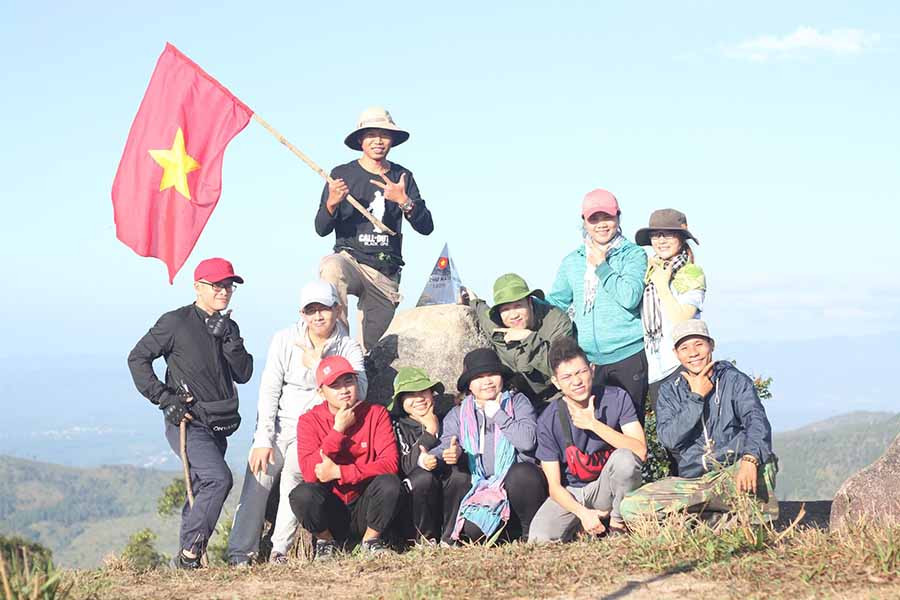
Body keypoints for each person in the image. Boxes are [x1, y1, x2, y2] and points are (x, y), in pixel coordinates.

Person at [227, 280, 366, 566]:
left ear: (337, 309)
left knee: (294, 476)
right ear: (301, 314)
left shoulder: (348, 346)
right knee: (257, 480)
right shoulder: (284, 339)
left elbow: (360, 389)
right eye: (310, 310)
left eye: (324, 309)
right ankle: (239, 555)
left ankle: (279, 550)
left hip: (316, 431)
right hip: (280, 426)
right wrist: (263, 438)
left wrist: (319, 364)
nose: (318, 316)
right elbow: (269, 389)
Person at [127, 258, 253, 569]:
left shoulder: (229, 327)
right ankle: (190, 555)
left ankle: (185, 566)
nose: (225, 290)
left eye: (229, 285)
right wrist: (164, 398)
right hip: (188, 422)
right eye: (217, 285)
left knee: (200, 488)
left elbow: (244, 372)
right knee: (217, 479)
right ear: (198, 287)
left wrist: (229, 339)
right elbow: (137, 358)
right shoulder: (176, 322)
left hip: (220, 423)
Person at [619, 320, 779, 524]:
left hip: (731, 475)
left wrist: (749, 459)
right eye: (684, 348)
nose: (693, 353)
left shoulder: (734, 381)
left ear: (711, 345)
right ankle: (718, 518)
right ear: (676, 354)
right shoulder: (670, 390)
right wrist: (696, 397)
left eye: (699, 344)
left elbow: (756, 421)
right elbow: (668, 438)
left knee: (765, 465)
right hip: (692, 484)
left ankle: (715, 519)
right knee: (631, 507)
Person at [315, 107, 435, 352]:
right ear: (361, 140)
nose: (378, 140)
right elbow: (321, 228)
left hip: (385, 271)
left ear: (392, 141)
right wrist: (332, 203)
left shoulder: (402, 176)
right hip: (351, 260)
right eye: (371, 134)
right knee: (331, 267)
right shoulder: (342, 174)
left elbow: (426, 227)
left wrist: (404, 201)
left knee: (376, 349)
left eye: (384, 134)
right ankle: (339, 349)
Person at [529, 337, 646, 542]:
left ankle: (619, 525)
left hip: (609, 485)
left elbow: (640, 451)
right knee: (539, 537)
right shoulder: (548, 419)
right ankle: (585, 528)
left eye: (581, 372)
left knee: (625, 460)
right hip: (574, 492)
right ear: (556, 382)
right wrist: (583, 513)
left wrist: (593, 424)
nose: (577, 382)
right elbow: (554, 487)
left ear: (592, 369)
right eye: (567, 377)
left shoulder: (616, 397)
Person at [547, 189, 650, 422]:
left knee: (630, 426)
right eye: (594, 219)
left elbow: (630, 296)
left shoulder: (633, 255)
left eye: (607, 217)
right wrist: (522, 307)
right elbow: (556, 302)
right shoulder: (573, 261)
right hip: (589, 362)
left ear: (618, 218)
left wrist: (602, 266)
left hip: (629, 356)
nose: (601, 224)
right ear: (584, 221)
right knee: (596, 427)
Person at [428, 348, 547, 543]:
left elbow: (527, 442)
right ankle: (507, 532)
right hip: (484, 488)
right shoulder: (459, 413)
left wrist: (498, 415)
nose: (487, 381)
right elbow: (444, 444)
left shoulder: (517, 402)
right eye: (478, 377)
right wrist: (438, 455)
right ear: (469, 385)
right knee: (473, 532)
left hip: (519, 486)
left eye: (492, 374)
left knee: (522, 474)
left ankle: (531, 532)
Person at [288, 356, 402, 558]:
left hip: (366, 504)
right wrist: (337, 430)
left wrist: (341, 472)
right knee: (302, 495)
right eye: (334, 385)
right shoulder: (309, 420)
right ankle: (327, 542)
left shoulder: (376, 414)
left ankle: (371, 541)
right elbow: (310, 473)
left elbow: (390, 464)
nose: (344, 390)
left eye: (348, 381)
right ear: (321, 392)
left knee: (390, 483)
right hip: (332, 508)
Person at [635, 209, 706, 411]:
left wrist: (663, 286)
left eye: (668, 234)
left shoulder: (690, 272)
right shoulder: (650, 271)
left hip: (683, 364)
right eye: (656, 235)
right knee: (669, 435)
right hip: (656, 369)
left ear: (681, 238)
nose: (661, 240)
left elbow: (682, 319)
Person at [467, 273, 573, 410]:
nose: (513, 315)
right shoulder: (495, 324)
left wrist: (530, 338)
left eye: (518, 306)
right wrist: (473, 301)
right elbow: (482, 311)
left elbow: (563, 369)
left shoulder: (557, 322)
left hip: (558, 397)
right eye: (505, 309)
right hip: (519, 401)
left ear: (530, 302)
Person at [389, 367, 470, 544]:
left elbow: (463, 447)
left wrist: (457, 454)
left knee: (460, 475)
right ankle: (424, 539)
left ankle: (451, 537)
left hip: (446, 494)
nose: (419, 398)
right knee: (422, 478)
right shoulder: (396, 426)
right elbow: (405, 466)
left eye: (423, 391)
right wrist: (430, 433)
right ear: (401, 400)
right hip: (413, 503)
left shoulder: (447, 419)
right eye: (410, 394)